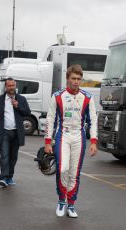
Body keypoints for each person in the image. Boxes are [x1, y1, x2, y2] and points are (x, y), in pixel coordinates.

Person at [44, 64, 97, 218]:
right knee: (63, 169)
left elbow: (93, 120)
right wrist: (48, 141)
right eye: (73, 78)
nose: (76, 81)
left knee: (74, 172)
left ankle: (71, 204)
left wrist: (93, 141)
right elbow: (50, 118)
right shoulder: (58, 95)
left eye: (79, 79)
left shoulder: (87, 97)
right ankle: (61, 201)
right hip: (63, 135)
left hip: (79, 137)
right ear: (67, 79)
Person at [0, 78, 31, 187]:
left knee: (13, 156)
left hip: (17, 133)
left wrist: (18, 106)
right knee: (4, 155)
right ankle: (3, 177)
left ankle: (10, 177)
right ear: (6, 87)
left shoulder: (21, 99)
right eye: (9, 86)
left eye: (13, 86)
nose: (12, 88)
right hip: (4, 132)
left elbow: (27, 113)